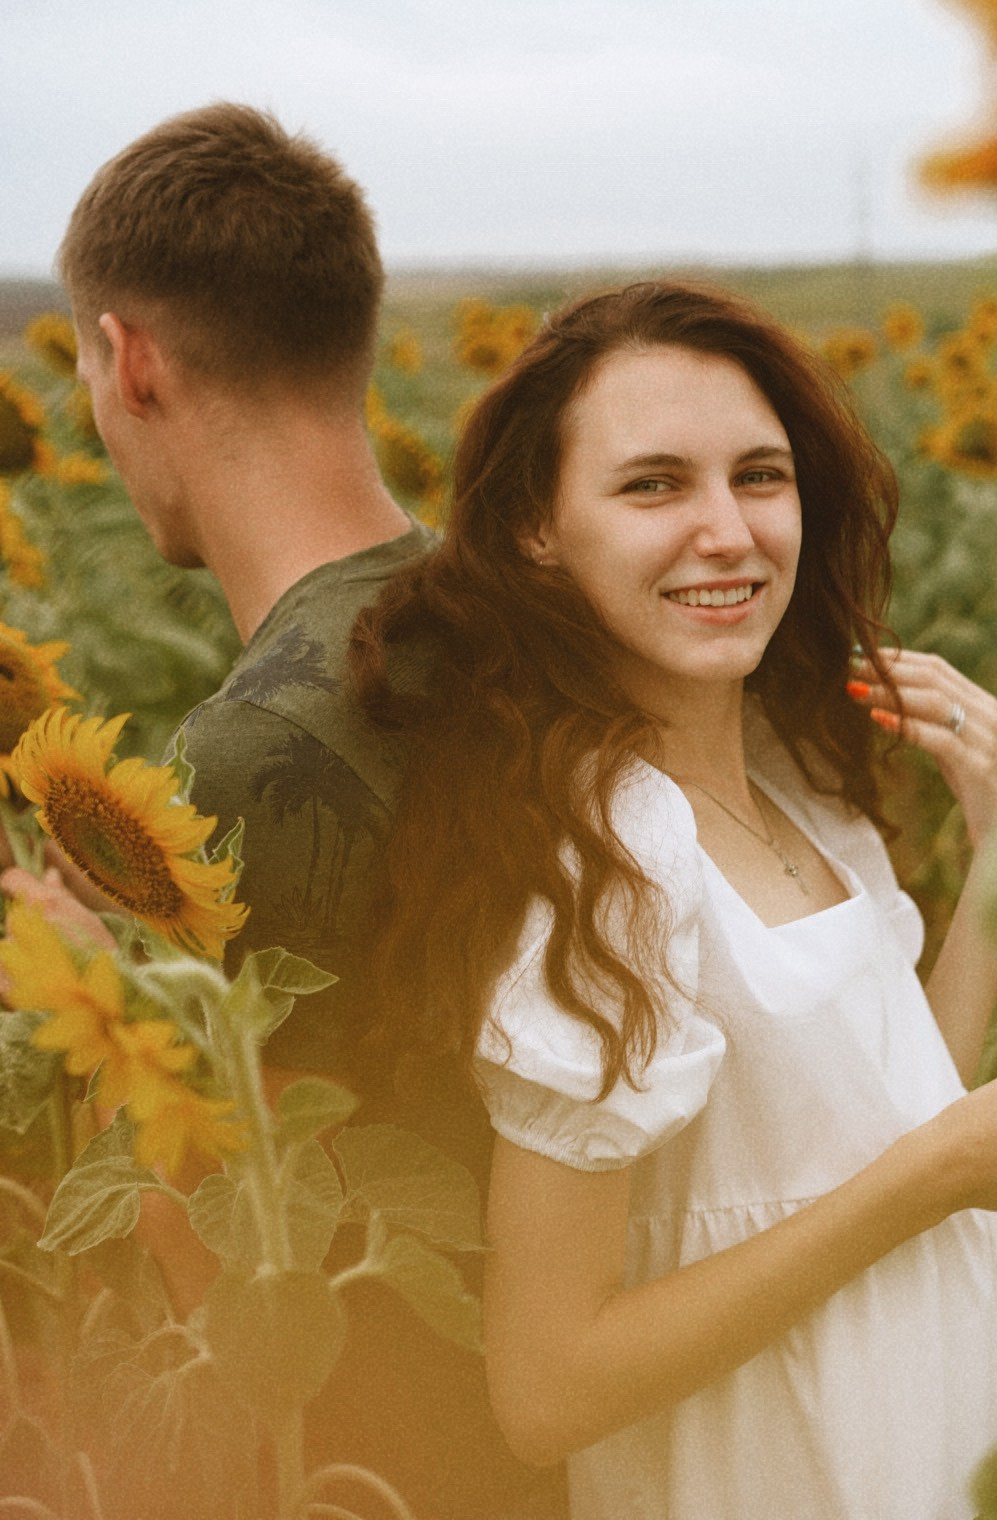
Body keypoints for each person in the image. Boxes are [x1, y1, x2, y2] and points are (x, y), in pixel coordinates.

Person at [350, 279, 997, 1520]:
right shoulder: (608, 858)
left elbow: (883, 1111)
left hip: (930, 1445)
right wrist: (946, 1170)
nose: (729, 530)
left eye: (759, 474)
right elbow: (548, 1385)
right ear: (537, 525)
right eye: (653, 485)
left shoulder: (798, 785)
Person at [48, 102, 561, 1520]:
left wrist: (109, 990)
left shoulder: (260, 745)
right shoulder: (524, 626)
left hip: (389, 1464)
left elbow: (229, 1232)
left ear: (131, 358)